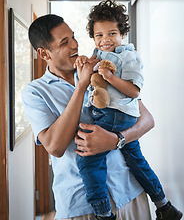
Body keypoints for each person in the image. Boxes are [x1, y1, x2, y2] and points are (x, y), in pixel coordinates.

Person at [22, 13, 154, 220]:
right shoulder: (35, 92)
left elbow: (147, 120)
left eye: (73, 37)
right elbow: (55, 147)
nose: (75, 45)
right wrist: (82, 85)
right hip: (80, 205)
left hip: (129, 193)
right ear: (44, 53)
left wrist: (116, 140)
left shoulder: (102, 66)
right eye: (65, 42)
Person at [74, 0, 183, 220]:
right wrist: (85, 63)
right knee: (136, 161)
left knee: (88, 158)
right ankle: (165, 206)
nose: (105, 40)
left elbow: (134, 91)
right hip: (114, 114)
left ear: (123, 33)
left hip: (116, 114)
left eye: (112, 34)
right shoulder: (100, 53)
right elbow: (90, 78)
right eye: (99, 36)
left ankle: (104, 214)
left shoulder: (129, 56)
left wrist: (111, 77)